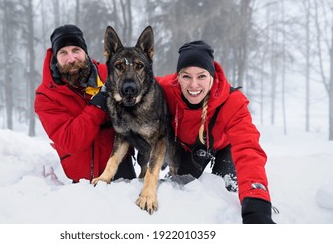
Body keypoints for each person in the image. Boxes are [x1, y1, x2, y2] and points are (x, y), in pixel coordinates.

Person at [157, 40, 275, 224]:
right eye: (186, 76)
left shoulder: (233, 103)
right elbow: (135, 82)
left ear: (212, 77)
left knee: (227, 190)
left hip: (223, 146)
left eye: (201, 76)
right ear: (177, 77)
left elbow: (248, 149)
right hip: (188, 148)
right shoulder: (165, 88)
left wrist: (257, 207)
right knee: (181, 189)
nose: (194, 85)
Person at [34, 24, 136, 183]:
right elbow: (70, 141)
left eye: (76, 50)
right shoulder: (46, 96)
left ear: (85, 52)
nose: (71, 59)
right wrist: (98, 105)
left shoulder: (109, 73)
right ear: (55, 57)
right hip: (82, 181)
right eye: (63, 53)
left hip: (120, 168)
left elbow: (146, 88)